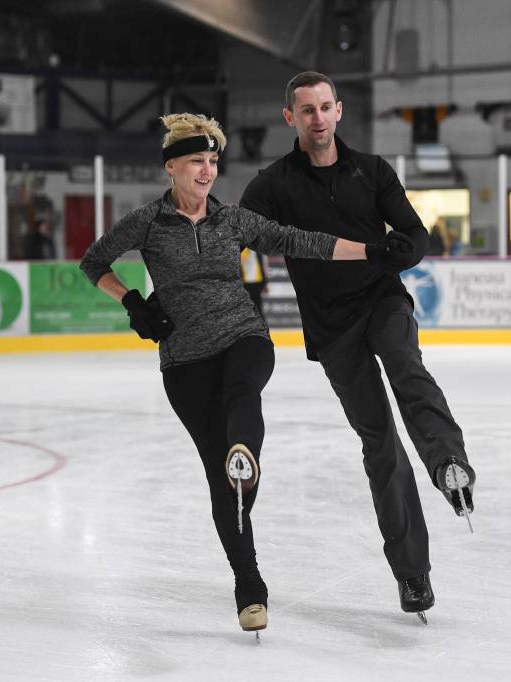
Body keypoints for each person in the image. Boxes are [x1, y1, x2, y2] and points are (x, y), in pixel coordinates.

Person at [79, 112, 406, 637]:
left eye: (212, 162)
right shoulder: (146, 222)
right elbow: (93, 261)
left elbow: (301, 240)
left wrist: (371, 249)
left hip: (243, 337)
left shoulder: (232, 220)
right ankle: (248, 585)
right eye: (196, 163)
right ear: (172, 168)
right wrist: (134, 303)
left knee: (242, 391)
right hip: (183, 360)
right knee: (224, 485)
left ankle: (244, 453)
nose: (207, 172)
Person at [239, 71, 476, 623]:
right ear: (290, 118)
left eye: (325, 107)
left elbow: (416, 237)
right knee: (380, 442)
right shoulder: (272, 184)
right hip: (332, 329)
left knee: (406, 365)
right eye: (306, 110)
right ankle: (413, 574)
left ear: (339, 111)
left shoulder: (372, 171)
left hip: (382, 302)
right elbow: (239, 231)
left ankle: (449, 465)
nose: (317, 118)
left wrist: (389, 255)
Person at [240, 247, 267, 320]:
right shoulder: (240, 249)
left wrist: (265, 281)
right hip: (245, 283)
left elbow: (263, 264)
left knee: (258, 306)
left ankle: (263, 326)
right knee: (247, 307)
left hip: (257, 282)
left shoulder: (257, 249)